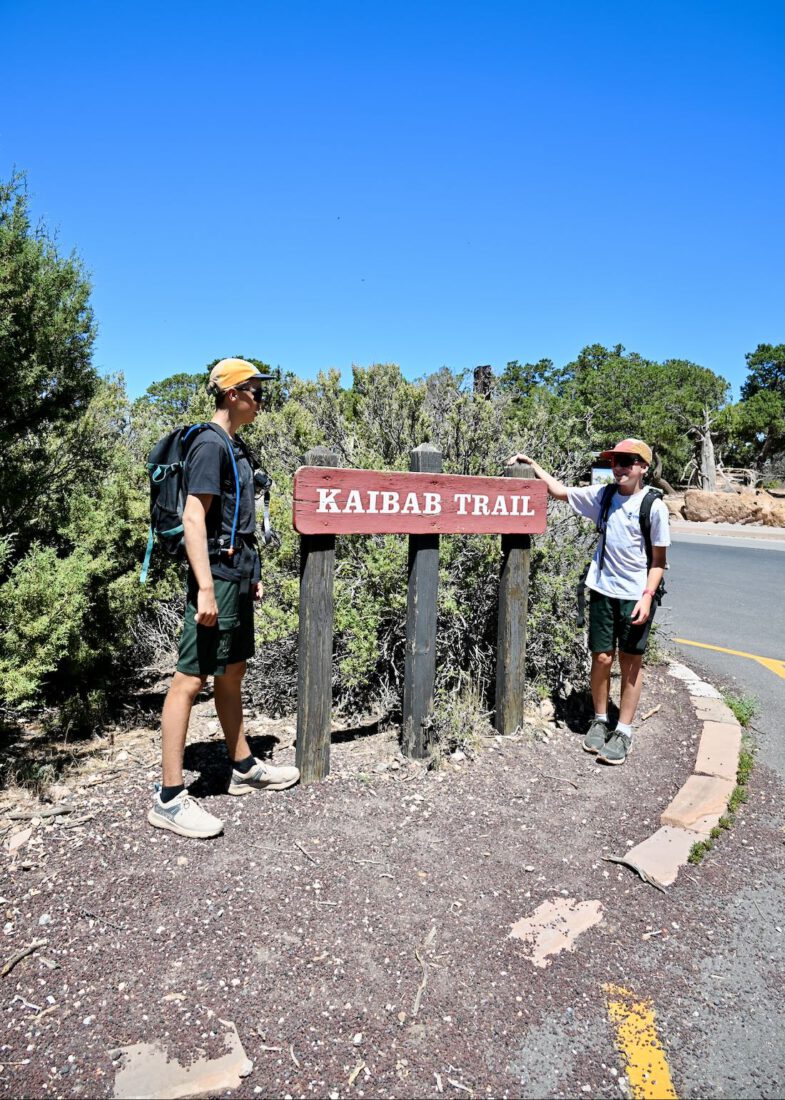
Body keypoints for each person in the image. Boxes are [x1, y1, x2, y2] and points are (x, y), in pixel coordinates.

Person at [148, 358, 299, 838]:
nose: (262, 398)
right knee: (189, 680)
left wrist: (248, 574)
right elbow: (195, 517)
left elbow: (232, 521)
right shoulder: (212, 445)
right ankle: (169, 798)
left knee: (232, 672)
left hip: (235, 576)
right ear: (233, 393)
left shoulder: (233, 445)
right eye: (256, 390)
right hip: (213, 579)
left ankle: (242, 766)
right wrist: (207, 588)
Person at [511, 439, 669, 766]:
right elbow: (559, 492)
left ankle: (623, 729)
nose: (620, 467)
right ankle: (600, 719)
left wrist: (647, 596)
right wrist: (532, 464)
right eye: (615, 461)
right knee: (600, 657)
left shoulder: (653, 507)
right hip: (602, 590)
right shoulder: (604, 496)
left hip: (636, 596)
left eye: (628, 461)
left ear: (643, 467)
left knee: (631, 662)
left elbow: (658, 562)